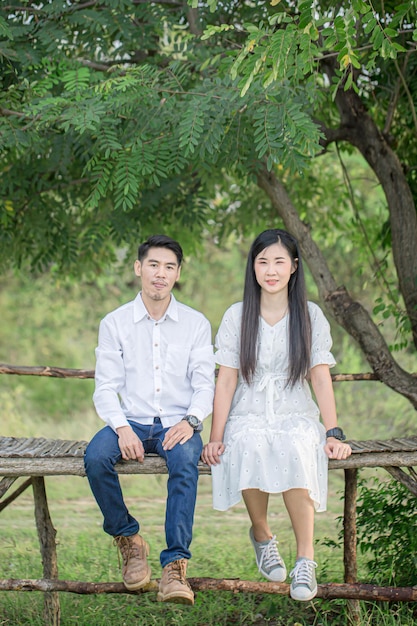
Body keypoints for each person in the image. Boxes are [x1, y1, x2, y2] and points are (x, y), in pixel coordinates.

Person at [201, 228, 351, 602]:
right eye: (263, 261)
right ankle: (263, 534)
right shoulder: (237, 316)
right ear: (253, 267)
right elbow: (226, 381)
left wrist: (333, 431)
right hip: (249, 408)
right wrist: (215, 436)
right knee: (246, 441)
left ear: (294, 267)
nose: (271, 270)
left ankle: (305, 559)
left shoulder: (309, 315)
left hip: (294, 408)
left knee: (299, 444)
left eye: (279, 262)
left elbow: (319, 375)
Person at [84, 234, 215, 606]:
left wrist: (191, 421)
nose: (161, 273)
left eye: (169, 267)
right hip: (132, 421)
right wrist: (122, 427)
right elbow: (105, 387)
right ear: (139, 268)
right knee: (95, 458)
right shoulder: (115, 322)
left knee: (187, 460)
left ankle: (175, 565)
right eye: (154, 265)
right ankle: (129, 539)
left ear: (177, 274)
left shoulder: (195, 323)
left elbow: (205, 384)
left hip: (178, 421)